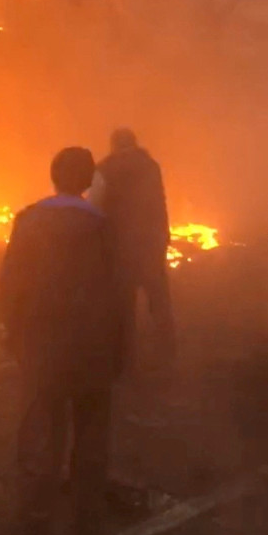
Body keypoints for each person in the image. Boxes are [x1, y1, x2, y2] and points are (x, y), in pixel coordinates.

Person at [0, 147, 125, 535]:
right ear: (88, 182)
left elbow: (10, 286)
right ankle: (89, 528)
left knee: (39, 442)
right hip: (94, 351)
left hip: (44, 350)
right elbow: (120, 294)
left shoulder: (29, 221)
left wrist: (15, 338)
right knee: (90, 439)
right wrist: (121, 351)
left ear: (52, 176)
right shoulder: (104, 227)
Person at [91, 128, 174, 364]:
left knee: (123, 302)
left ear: (113, 144)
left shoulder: (105, 168)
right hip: (151, 242)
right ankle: (166, 351)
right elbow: (160, 201)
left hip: (120, 246)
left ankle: (126, 356)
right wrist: (162, 235)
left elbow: (95, 204)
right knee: (158, 299)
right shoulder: (151, 166)